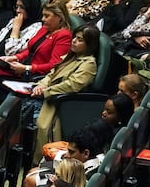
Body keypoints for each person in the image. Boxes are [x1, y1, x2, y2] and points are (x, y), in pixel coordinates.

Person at [34, 25, 101, 162]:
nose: (74, 41)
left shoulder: (89, 64)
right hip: (46, 95)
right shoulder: (70, 57)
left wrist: (47, 91)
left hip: (59, 102)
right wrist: (41, 85)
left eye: (80, 39)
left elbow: (72, 85)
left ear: (89, 44)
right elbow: (52, 74)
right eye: (74, 37)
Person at [0, 1, 72, 83]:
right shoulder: (44, 29)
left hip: (37, 78)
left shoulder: (64, 36)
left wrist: (27, 68)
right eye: (43, 15)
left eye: (47, 16)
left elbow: (54, 65)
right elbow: (31, 49)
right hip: (23, 71)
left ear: (59, 17)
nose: (42, 19)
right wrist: (15, 57)